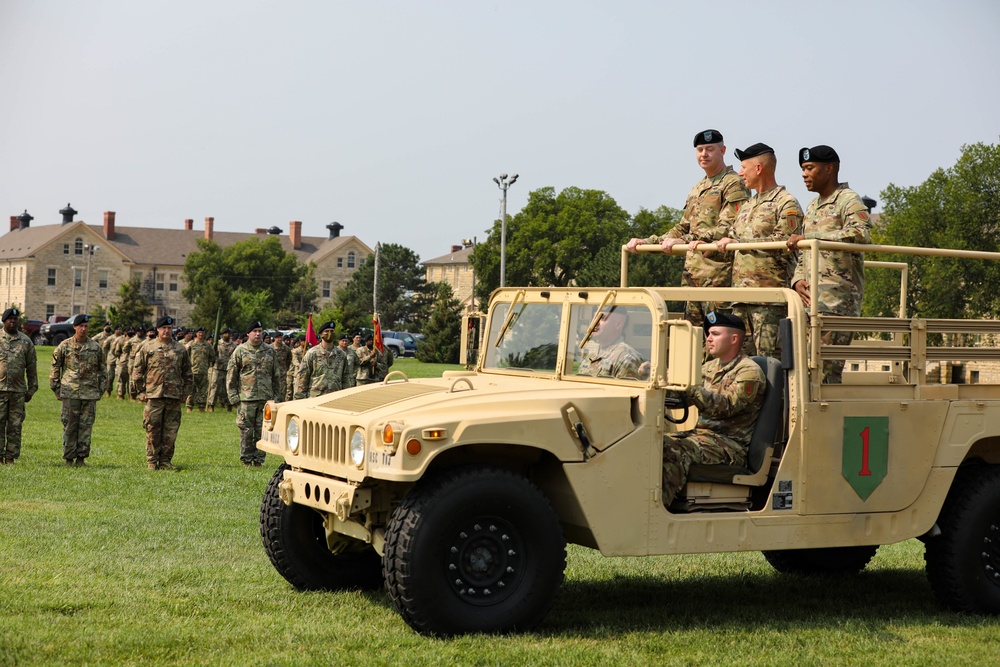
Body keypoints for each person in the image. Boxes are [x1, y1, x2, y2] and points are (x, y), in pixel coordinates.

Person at [626, 129, 750, 324]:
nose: (704, 154)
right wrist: (649, 241)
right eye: (700, 150)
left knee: (718, 340)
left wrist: (684, 241)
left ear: (723, 150)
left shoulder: (734, 183)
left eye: (710, 149)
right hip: (692, 278)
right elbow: (683, 226)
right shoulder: (697, 188)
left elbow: (729, 226)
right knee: (691, 340)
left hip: (718, 278)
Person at [787, 145, 873, 384]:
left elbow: (861, 233)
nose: (804, 174)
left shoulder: (848, 200)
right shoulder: (813, 206)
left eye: (810, 168)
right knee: (803, 370)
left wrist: (814, 239)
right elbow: (804, 250)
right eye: (803, 169)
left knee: (824, 374)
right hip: (810, 301)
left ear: (829, 169)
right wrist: (797, 280)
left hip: (837, 301)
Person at [662, 312, 765, 507]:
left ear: (734, 339)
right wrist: (662, 384)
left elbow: (726, 406)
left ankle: (658, 509)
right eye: (708, 333)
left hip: (729, 446)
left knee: (671, 450)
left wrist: (689, 387)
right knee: (651, 444)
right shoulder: (708, 368)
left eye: (715, 334)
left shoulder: (749, 372)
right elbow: (680, 398)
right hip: (701, 437)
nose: (708, 338)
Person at [717, 143, 803, 360]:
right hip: (741, 299)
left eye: (744, 167)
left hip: (768, 301)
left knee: (769, 363)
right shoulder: (747, 205)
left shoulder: (786, 203)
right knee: (739, 362)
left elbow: (785, 243)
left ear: (758, 168)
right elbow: (731, 234)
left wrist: (739, 242)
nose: (740, 173)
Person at [133, 316, 191, 470]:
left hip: (173, 396)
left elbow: (187, 373)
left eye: (169, 328)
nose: (166, 331)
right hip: (154, 395)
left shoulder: (180, 349)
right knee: (152, 428)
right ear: (158, 330)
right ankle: (152, 461)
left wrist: (185, 393)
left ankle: (165, 460)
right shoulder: (147, 347)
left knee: (170, 430)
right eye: (163, 328)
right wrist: (140, 391)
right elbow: (138, 371)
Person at [49, 314, 107, 467]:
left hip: (89, 393)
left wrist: (100, 390)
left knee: (86, 427)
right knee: (69, 425)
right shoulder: (64, 346)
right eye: (80, 326)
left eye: (86, 326)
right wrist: (55, 387)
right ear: (74, 327)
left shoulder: (95, 347)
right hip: (70, 391)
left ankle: (81, 458)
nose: (83, 329)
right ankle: (69, 458)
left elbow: (103, 371)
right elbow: (55, 367)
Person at [227, 321, 281, 467]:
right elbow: (232, 374)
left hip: (265, 398)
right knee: (246, 429)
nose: (257, 334)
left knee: (262, 430)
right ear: (248, 334)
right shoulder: (240, 351)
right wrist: (233, 396)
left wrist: (277, 398)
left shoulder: (270, 351)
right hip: (246, 398)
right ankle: (246, 459)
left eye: (260, 330)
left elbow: (276, 376)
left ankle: (258, 460)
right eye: (254, 331)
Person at [0, 308, 38, 464]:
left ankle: (11, 457)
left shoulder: (25, 341)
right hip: (0, 390)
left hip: (18, 391)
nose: (13, 321)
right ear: (4, 321)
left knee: (15, 425)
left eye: (16, 319)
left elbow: (31, 367)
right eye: (10, 319)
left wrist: (32, 388)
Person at [576, 308, 643, 380]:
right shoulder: (593, 352)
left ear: (618, 324)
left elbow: (624, 390)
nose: (595, 322)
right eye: (594, 317)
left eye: (602, 318)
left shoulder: (626, 357)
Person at [294, 321, 352, 398]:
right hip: (316, 397)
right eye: (326, 331)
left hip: (336, 396)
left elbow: (346, 378)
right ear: (321, 334)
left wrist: (347, 396)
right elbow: (303, 378)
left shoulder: (341, 354)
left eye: (332, 331)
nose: (329, 333)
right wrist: (300, 399)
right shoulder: (312, 353)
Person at [186, 327, 216, 412]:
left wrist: (209, 363)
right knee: (191, 390)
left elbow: (212, 357)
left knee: (203, 391)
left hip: (203, 371)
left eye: (202, 332)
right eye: (199, 332)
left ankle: (201, 407)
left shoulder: (208, 345)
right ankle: (189, 407)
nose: (201, 334)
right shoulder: (191, 344)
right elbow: (186, 356)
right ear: (196, 334)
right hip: (193, 370)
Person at [209, 328, 236, 412]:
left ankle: (229, 405)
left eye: (228, 333)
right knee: (215, 387)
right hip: (218, 368)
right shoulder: (217, 344)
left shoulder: (233, 346)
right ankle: (211, 404)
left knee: (229, 388)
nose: (226, 335)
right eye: (225, 333)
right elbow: (212, 355)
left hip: (228, 369)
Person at [103, 324, 123, 397]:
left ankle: (119, 393)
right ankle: (108, 391)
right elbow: (105, 347)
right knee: (110, 377)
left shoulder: (123, 338)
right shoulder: (110, 338)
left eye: (120, 329)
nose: (119, 330)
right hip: (110, 359)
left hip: (119, 360)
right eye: (118, 329)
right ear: (115, 330)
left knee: (119, 377)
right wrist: (106, 356)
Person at [272, 334, 293, 400]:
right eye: (278, 337)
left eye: (281, 337)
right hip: (271, 374)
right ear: (274, 338)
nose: (280, 339)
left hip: (282, 374)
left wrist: (284, 368)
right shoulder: (270, 348)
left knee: (282, 392)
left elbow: (289, 359)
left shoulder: (286, 349)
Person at [285, 335, 305, 401]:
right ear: (300, 342)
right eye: (303, 341)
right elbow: (295, 361)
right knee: (293, 393)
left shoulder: (310, 350)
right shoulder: (295, 351)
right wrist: (301, 365)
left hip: (307, 375)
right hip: (297, 375)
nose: (305, 342)